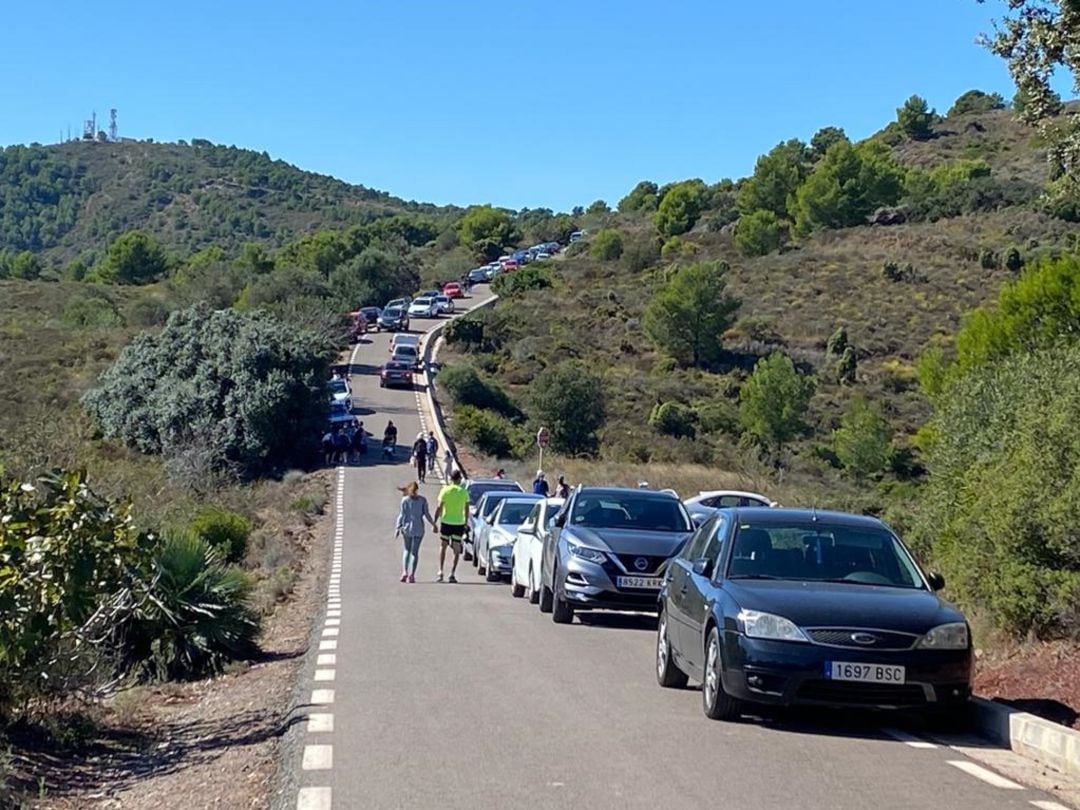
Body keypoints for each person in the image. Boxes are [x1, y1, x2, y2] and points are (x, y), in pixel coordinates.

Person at [395, 481, 436, 583]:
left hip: (406, 528)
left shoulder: (404, 500)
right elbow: (426, 514)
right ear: (417, 490)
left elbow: (402, 515)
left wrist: (397, 527)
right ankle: (412, 575)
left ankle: (405, 571)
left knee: (407, 550)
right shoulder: (422, 500)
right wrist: (433, 524)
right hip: (418, 529)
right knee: (414, 552)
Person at [433, 469, 469, 583]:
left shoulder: (445, 490)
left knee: (443, 546)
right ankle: (452, 573)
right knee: (457, 548)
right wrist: (466, 522)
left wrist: (434, 521)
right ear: (459, 479)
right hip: (458, 522)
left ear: (451, 479)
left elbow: (439, 507)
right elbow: (466, 509)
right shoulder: (464, 492)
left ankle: (440, 571)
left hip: (446, 521)